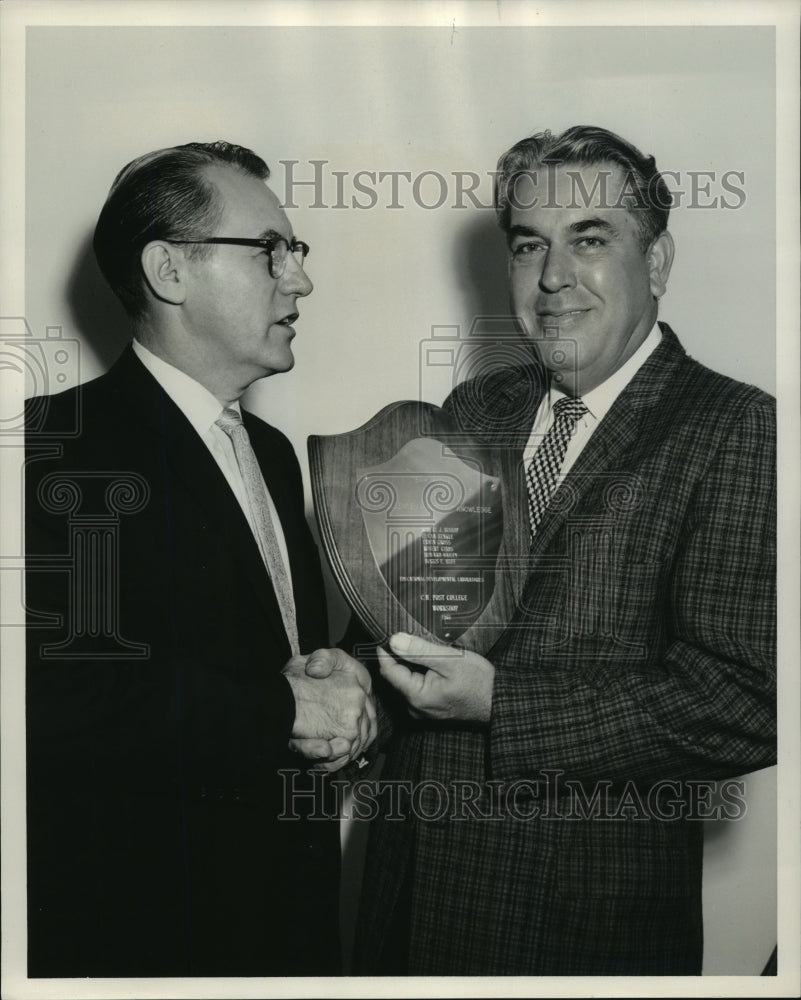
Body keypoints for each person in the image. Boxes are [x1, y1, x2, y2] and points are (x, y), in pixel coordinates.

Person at [352, 125, 776, 975]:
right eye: (528, 246)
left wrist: (501, 705)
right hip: (403, 896)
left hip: (571, 930)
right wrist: (351, 672)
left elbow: (741, 702)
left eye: (589, 240)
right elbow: (410, 607)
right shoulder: (476, 403)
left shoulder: (735, 426)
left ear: (654, 263)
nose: (551, 278)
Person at [25, 140, 376, 977]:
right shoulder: (53, 449)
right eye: (269, 251)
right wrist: (281, 711)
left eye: (295, 252)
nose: (299, 278)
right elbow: (56, 698)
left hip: (285, 917)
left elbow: (272, 665)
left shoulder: (275, 452)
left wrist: (346, 686)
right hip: (140, 939)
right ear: (169, 270)